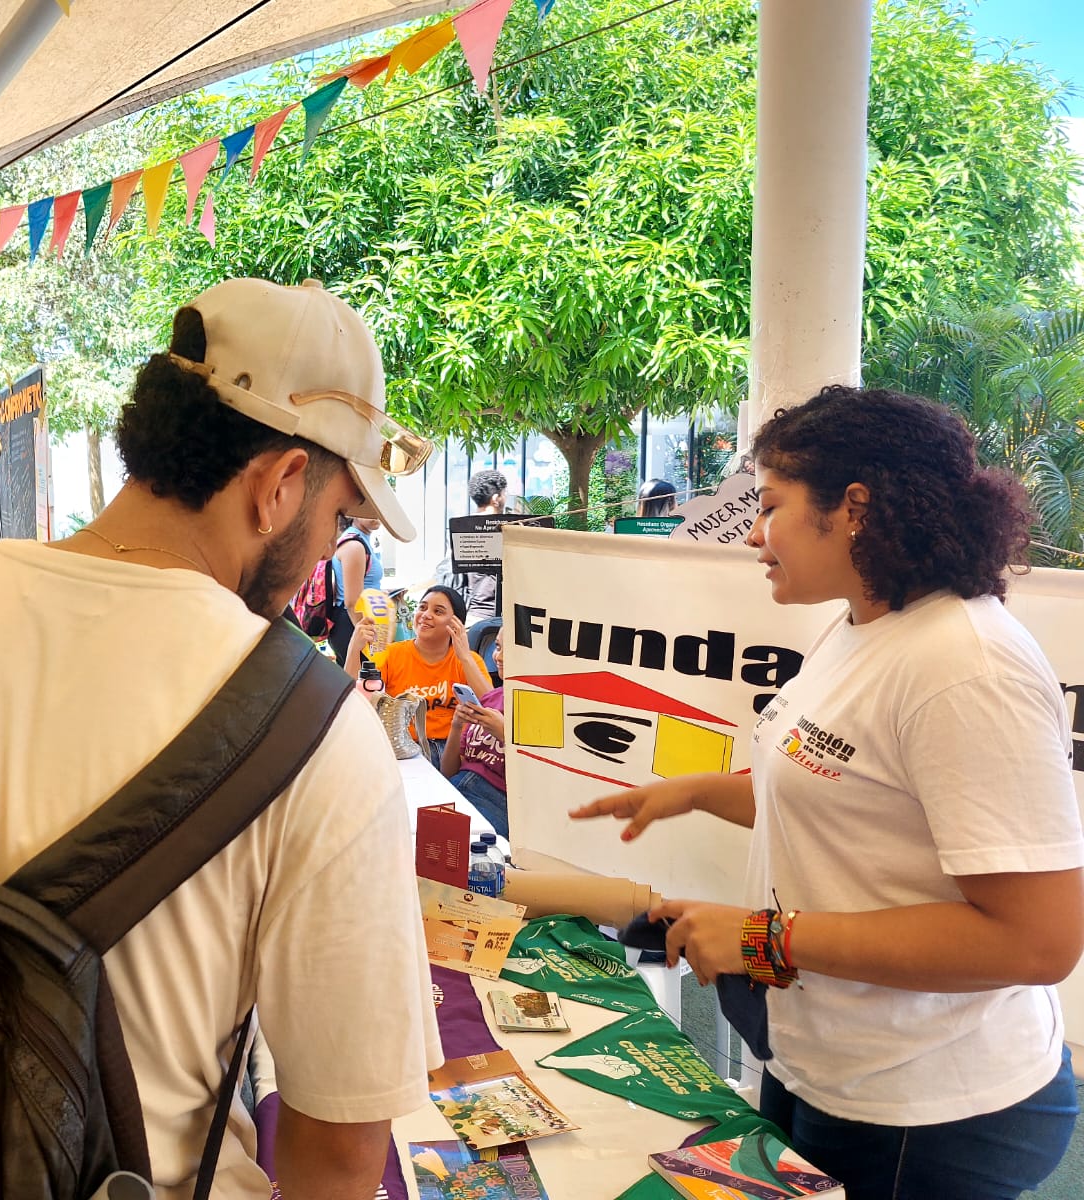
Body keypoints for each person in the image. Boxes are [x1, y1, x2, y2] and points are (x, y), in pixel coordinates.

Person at [0, 278, 442, 1199]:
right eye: (339, 518)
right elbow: (338, 1146)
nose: (324, 550)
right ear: (280, 485)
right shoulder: (314, 724)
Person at [571, 386, 1082, 1200]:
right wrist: (697, 792)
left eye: (769, 507)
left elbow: (1036, 943)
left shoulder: (965, 667)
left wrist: (764, 938)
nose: (752, 534)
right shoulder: (864, 625)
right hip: (825, 1065)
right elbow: (842, 792)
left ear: (853, 509)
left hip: (925, 1108)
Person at [349, 584, 492, 766]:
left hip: (455, 751)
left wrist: (464, 657)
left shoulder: (468, 661)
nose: (425, 615)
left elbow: (492, 706)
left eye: (438, 611)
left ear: (456, 624)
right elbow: (352, 699)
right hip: (404, 749)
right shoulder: (392, 654)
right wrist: (353, 649)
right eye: (422, 607)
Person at [441, 634, 508, 836]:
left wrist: (507, 735)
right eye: (498, 646)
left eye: (510, 649)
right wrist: (456, 726)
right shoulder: (493, 698)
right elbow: (448, 772)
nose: (500, 656)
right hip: (455, 789)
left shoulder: (546, 707)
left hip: (496, 803)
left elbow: (542, 784)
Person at [324, 514, 383, 665]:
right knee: (362, 685)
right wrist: (366, 638)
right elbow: (352, 602)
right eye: (370, 510)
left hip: (357, 622)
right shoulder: (354, 546)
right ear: (353, 514)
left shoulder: (361, 540)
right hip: (352, 623)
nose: (376, 515)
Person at [462, 469, 508, 626]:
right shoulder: (505, 530)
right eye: (504, 493)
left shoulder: (461, 528)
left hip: (471, 615)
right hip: (497, 618)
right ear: (496, 499)